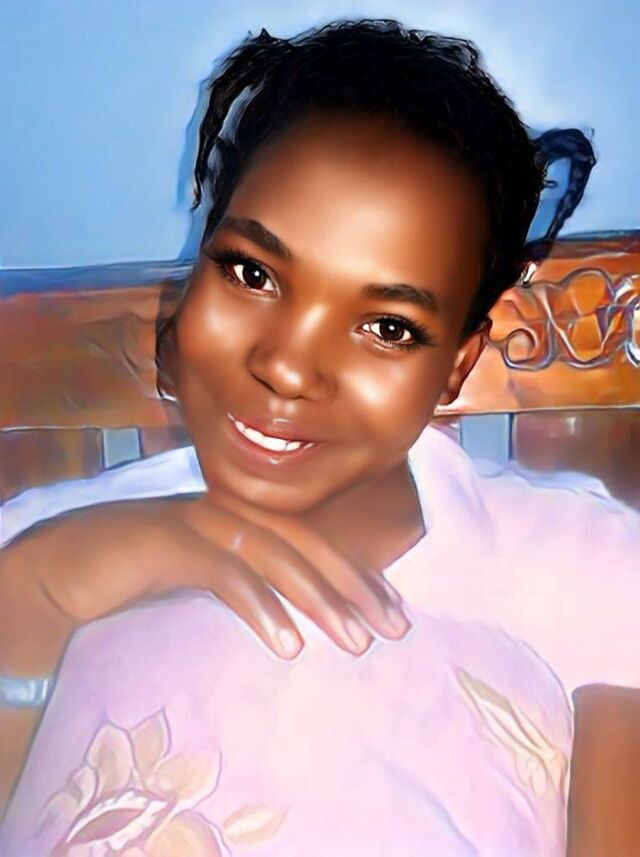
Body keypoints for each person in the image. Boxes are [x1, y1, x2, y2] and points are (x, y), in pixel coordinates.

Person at [0, 18, 638, 855]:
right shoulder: (37, 543)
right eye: (253, 272)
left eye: (387, 327)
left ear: (456, 365)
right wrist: (44, 586)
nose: (287, 367)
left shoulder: (582, 561)